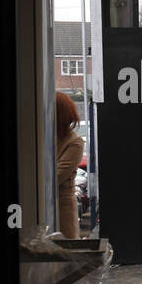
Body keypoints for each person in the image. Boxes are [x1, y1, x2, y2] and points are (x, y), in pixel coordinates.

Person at [55, 92, 83, 238]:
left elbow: (58, 176)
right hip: (45, 205)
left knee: (65, 252)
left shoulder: (74, 142)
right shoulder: (43, 136)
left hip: (63, 208)